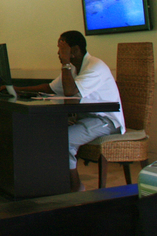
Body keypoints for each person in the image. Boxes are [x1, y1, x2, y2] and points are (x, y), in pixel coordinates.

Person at [14, 30, 124, 191]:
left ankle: (75, 187)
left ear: (75, 50)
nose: (58, 53)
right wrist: (15, 89)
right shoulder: (73, 68)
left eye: (62, 49)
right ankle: (45, 184)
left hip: (105, 121)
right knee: (41, 132)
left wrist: (65, 63)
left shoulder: (95, 66)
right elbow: (50, 88)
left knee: (63, 140)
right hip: (86, 118)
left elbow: (70, 92)